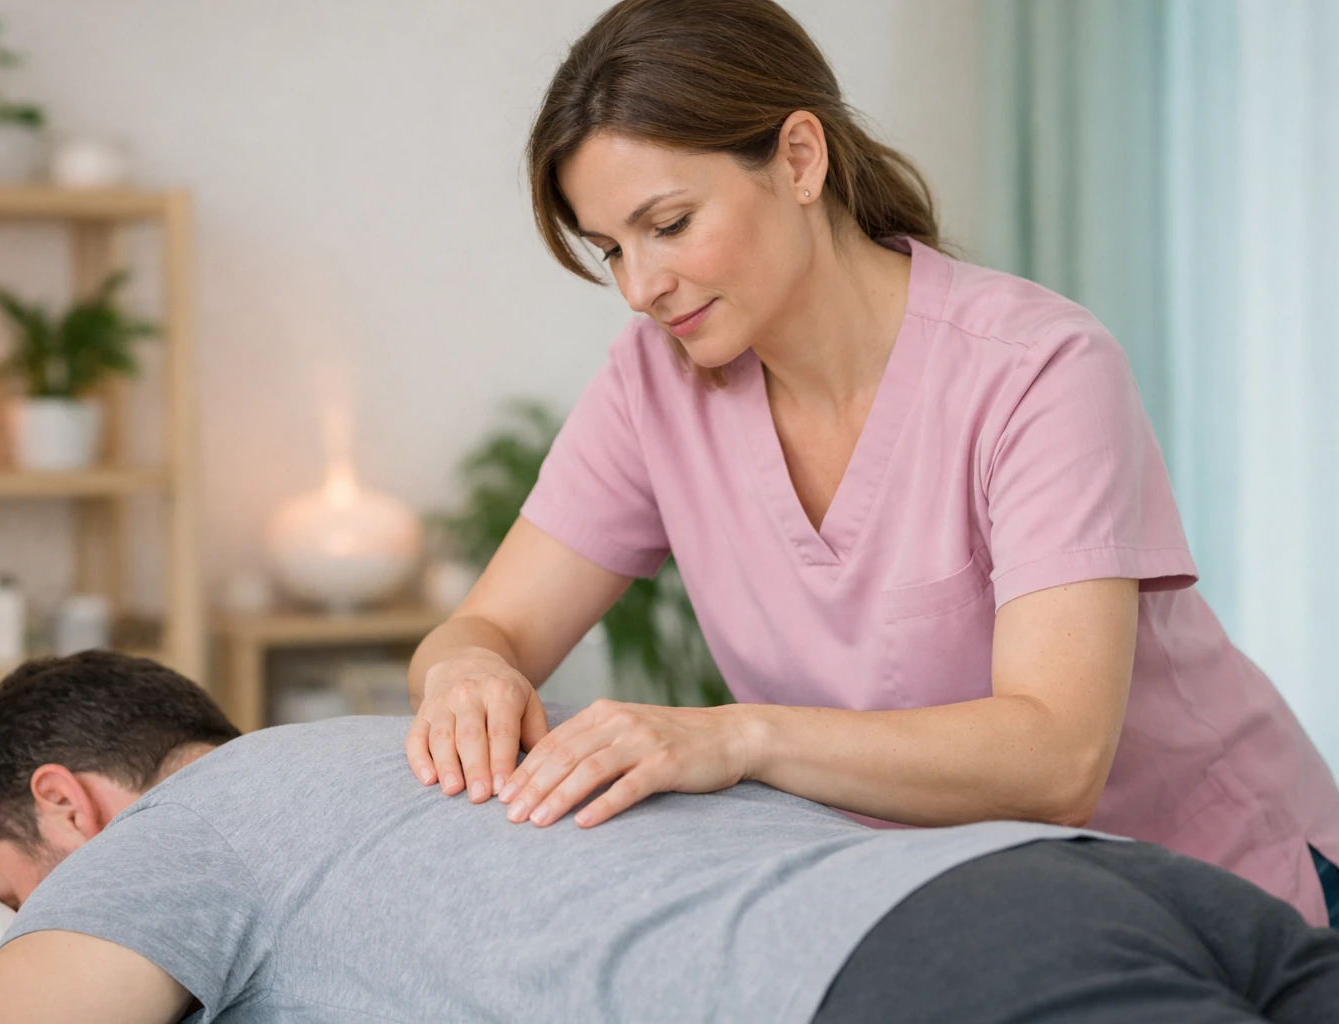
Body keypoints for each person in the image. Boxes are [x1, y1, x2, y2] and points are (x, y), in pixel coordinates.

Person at [402, 0, 1339, 928]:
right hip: (962, 905)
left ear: (800, 158)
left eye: (672, 224)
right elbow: (488, 625)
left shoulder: (1039, 370)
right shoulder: (656, 384)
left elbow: (1057, 762)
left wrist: (735, 735)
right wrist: (466, 675)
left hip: (1218, 888)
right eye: (611, 249)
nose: (641, 288)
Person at [0, 651, 1339, 1024]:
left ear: (66, 807)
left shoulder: (185, 829)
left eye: (14, 900)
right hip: (1107, 888)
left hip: (924, 975)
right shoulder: (422, 763)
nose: (22, 928)